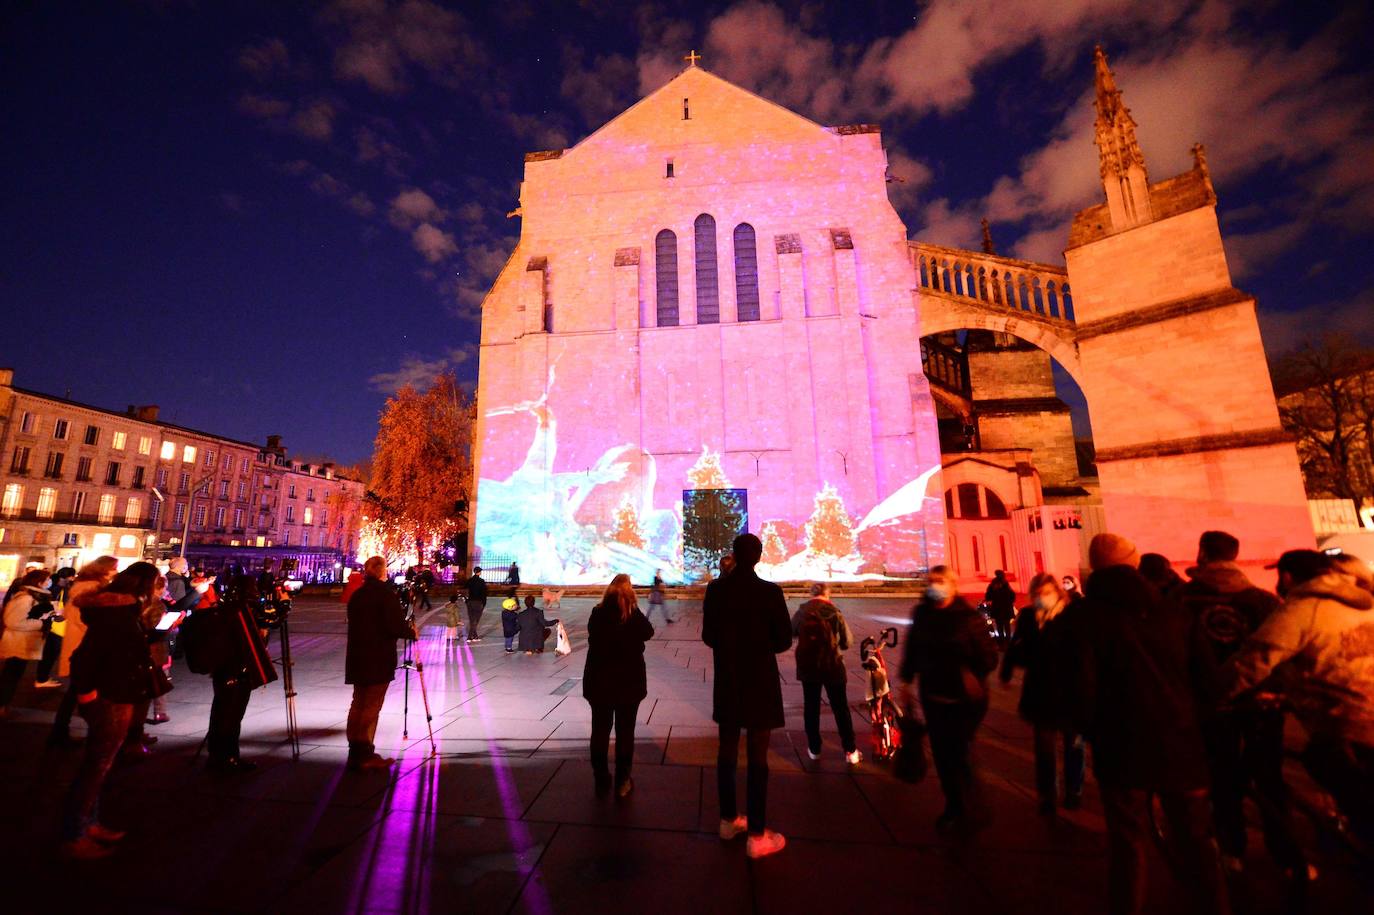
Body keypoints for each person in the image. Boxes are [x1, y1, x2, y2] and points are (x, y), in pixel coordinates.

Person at [1076, 533, 1229, 915]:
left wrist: (1089, 727)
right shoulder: (1175, 611)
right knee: (1196, 839)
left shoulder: (1084, 617)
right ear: (1134, 562)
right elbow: (1209, 681)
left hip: (1120, 746)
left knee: (1127, 842)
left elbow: (1075, 688)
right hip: (1181, 742)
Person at [1223, 549, 1374, 845]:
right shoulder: (1363, 603)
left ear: (1288, 576)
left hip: (1348, 720)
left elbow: (1253, 662)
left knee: (1325, 762)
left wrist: (1213, 694)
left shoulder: (1301, 609)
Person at [1179, 530, 1305, 879]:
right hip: (1261, 703)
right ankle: (1286, 855)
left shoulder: (1182, 601)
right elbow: (1281, 654)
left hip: (1210, 704)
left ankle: (1231, 849)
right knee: (1270, 778)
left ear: (1202, 553)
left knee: (1221, 777)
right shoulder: (1262, 601)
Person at [60, 561, 168, 859]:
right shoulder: (115, 615)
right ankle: (74, 835)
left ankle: (88, 822)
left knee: (100, 766)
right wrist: (88, 698)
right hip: (109, 698)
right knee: (95, 767)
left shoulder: (124, 612)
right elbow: (84, 658)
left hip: (118, 693)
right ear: (142, 585)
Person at [702, 533, 792, 859]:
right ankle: (756, 834)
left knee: (726, 752)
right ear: (759, 556)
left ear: (735, 556)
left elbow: (708, 636)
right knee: (757, 758)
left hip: (728, 681)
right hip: (760, 683)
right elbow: (783, 641)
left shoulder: (716, 590)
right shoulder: (770, 592)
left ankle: (728, 820)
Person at [898, 565, 998, 831]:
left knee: (960, 752)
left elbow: (989, 657)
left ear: (953, 585)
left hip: (966, 699)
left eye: (940, 581)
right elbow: (912, 648)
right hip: (933, 695)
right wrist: (906, 680)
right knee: (943, 755)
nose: (935, 585)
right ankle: (954, 805)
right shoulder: (922, 614)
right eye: (932, 581)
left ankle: (971, 808)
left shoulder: (968, 618)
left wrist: (971, 672)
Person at [999, 573, 1084, 814]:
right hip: (1041, 692)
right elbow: (1016, 647)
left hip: (1070, 692)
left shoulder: (1072, 616)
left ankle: (1073, 790)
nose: (1041, 598)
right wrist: (1006, 670)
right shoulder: (1027, 617)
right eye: (1037, 594)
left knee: (1073, 747)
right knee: (1044, 749)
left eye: (1046, 593)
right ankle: (1047, 794)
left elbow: (1082, 654)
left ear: (1058, 593)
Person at [583, 574, 655, 797]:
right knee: (625, 733)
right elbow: (648, 632)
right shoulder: (632, 614)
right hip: (628, 683)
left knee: (600, 731)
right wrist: (633, 607)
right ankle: (623, 780)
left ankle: (601, 778)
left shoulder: (598, 612)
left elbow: (592, 637)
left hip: (599, 681)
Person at [344, 555, 416, 772]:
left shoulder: (357, 595)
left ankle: (354, 750)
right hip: (377, 658)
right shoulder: (385, 595)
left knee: (358, 703)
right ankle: (365, 753)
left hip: (357, 657)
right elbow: (394, 626)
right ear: (382, 571)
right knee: (371, 706)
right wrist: (410, 632)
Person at [201, 575, 277, 773]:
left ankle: (216, 755)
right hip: (239, 669)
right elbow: (272, 620)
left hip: (222, 668)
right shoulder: (246, 609)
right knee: (232, 715)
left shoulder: (225, 607)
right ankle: (227, 758)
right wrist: (285, 601)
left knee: (220, 711)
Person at [49, 557, 119, 746]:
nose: (116, 571)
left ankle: (61, 731)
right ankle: (81, 733)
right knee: (83, 692)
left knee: (77, 691)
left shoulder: (85, 587)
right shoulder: (89, 589)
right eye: (114, 568)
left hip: (82, 644)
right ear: (104, 569)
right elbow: (83, 618)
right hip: (85, 645)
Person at [791, 582, 860, 764]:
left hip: (808, 667)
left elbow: (791, 631)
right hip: (833, 665)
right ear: (827, 595)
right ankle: (850, 750)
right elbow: (847, 642)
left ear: (811, 594)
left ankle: (814, 749)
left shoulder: (802, 612)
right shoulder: (834, 612)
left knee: (811, 707)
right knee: (840, 708)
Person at [148, 556, 198, 725]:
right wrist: (173, 620)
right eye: (163, 588)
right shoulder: (154, 604)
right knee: (159, 678)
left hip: (157, 647)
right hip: (154, 648)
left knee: (159, 678)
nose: (165, 590)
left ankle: (156, 713)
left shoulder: (160, 597)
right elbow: (176, 607)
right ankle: (158, 713)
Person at [0, 569, 54, 716]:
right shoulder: (26, 598)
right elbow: (13, 621)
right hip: (17, 643)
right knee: (10, 677)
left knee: (12, 676)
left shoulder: (34, 597)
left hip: (22, 643)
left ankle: (4, 705)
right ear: (39, 582)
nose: (49, 582)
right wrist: (41, 624)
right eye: (47, 579)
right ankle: (2, 706)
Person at [35, 567, 77, 688]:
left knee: (48, 653)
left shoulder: (53, 587)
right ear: (70, 576)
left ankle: (42, 677)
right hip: (58, 626)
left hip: (51, 624)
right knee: (50, 654)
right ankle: (41, 679)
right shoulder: (64, 589)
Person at [983, 570, 1016, 642]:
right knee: (1006, 626)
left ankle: (1002, 641)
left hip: (997, 609)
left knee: (1000, 625)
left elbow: (988, 596)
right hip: (1006, 608)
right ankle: (1007, 641)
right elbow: (1012, 596)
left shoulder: (993, 584)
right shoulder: (1005, 584)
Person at [465, 566, 488, 643]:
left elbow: (465, 589)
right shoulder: (481, 581)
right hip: (478, 602)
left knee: (472, 620)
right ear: (479, 572)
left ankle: (475, 636)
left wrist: (466, 600)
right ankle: (469, 637)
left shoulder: (469, 580)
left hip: (470, 602)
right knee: (476, 620)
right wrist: (484, 603)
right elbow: (484, 593)